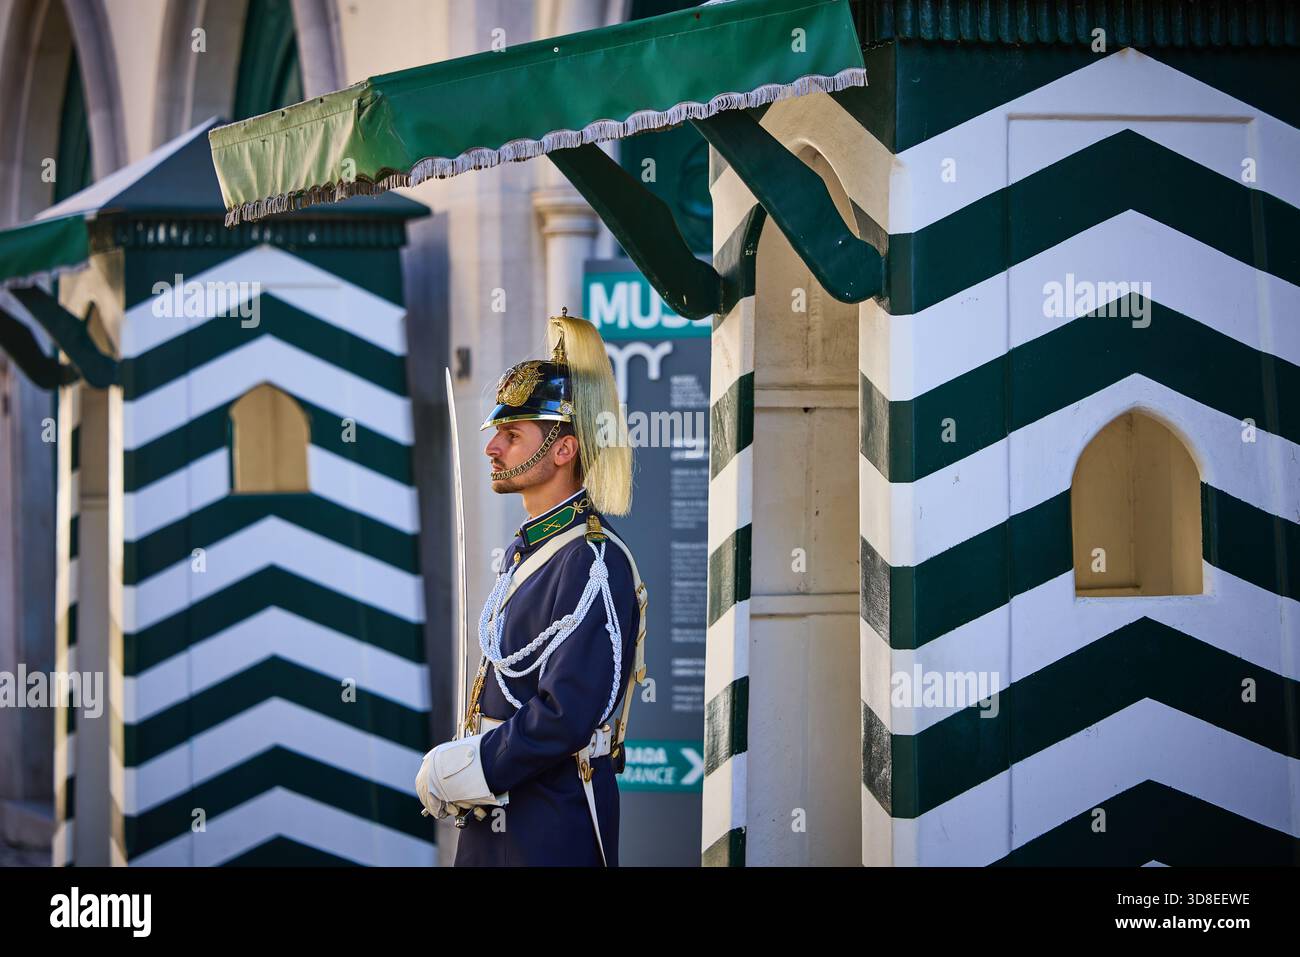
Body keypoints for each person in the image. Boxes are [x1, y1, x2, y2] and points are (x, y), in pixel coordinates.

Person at [415, 309, 648, 866]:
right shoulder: (536, 549)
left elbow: (565, 714)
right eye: (497, 434)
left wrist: (474, 765)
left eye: (512, 435)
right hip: (499, 813)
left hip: (550, 821)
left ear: (563, 449)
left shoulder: (593, 561)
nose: (493, 448)